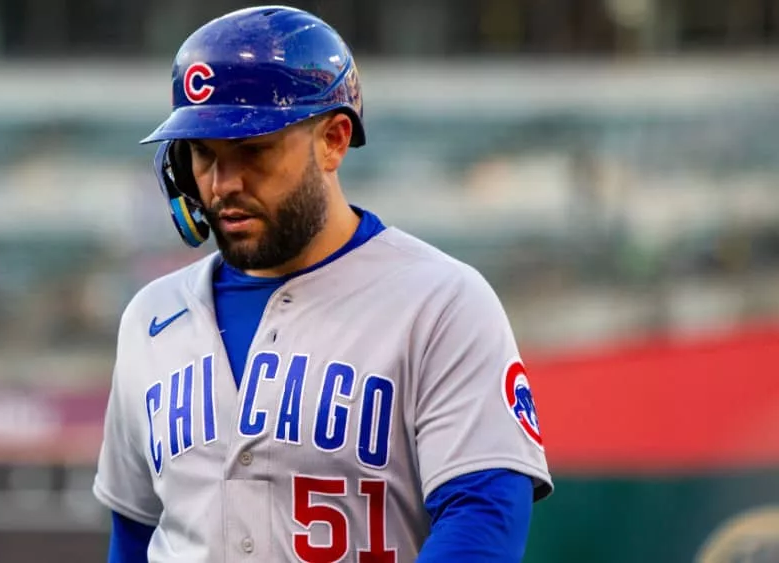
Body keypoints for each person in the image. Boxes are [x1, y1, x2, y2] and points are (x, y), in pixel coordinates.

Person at [93, 5, 553, 562]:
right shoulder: (151, 317)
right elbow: (136, 532)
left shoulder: (441, 301)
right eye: (203, 154)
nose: (222, 184)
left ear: (334, 139)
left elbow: (483, 518)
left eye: (253, 149)